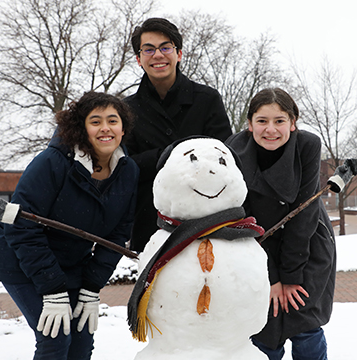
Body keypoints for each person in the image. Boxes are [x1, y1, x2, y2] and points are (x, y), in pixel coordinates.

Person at [0, 91, 139, 360]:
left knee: (82, 341)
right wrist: (52, 291)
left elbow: (117, 234)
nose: (105, 128)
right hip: (21, 261)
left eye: (113, 120)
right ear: (81, 128)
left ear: (123, 128)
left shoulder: (128, 171)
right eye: (95, 121)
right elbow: (19, 226)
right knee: (56, 340)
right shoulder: (52, 162)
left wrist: (91, 288)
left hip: (72, 262)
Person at [225, 88, 336, 360]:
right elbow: (242, 220)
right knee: (264, 327)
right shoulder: (233, 152)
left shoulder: (307, 146)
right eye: (262, 121)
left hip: (307, 243)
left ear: (293, 122)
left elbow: (304, 213)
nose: (270, 129)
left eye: (280, 121)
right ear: (249, 124)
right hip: (255, 245)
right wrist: (272, 278)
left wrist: (290, 277)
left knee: (305, 323)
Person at [124, 17, 232, 252]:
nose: (158, 55)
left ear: (179, 54)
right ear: (138, 59)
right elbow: (126, 167)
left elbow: (225, 158)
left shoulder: (207, 100)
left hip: (206, 221)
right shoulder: (126, 110)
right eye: (149, 49)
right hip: (151, 224)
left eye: (165, 47)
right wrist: (166, 155)